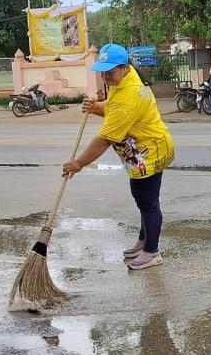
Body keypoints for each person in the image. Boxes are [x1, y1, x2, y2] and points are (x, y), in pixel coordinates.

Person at [62, 43, 175, 269]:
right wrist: (96, 107)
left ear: (124, 67)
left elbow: (105, 139)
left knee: (148, 201)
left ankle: (152, 252)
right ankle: (145, 240)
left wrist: (79, 163)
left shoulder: (129, 93)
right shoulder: (124, 79)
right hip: (140, 151)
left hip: (148, 152)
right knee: (142, 197)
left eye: (110, 71)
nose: (105, 76)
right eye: (102, 71)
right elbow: (111, 107)